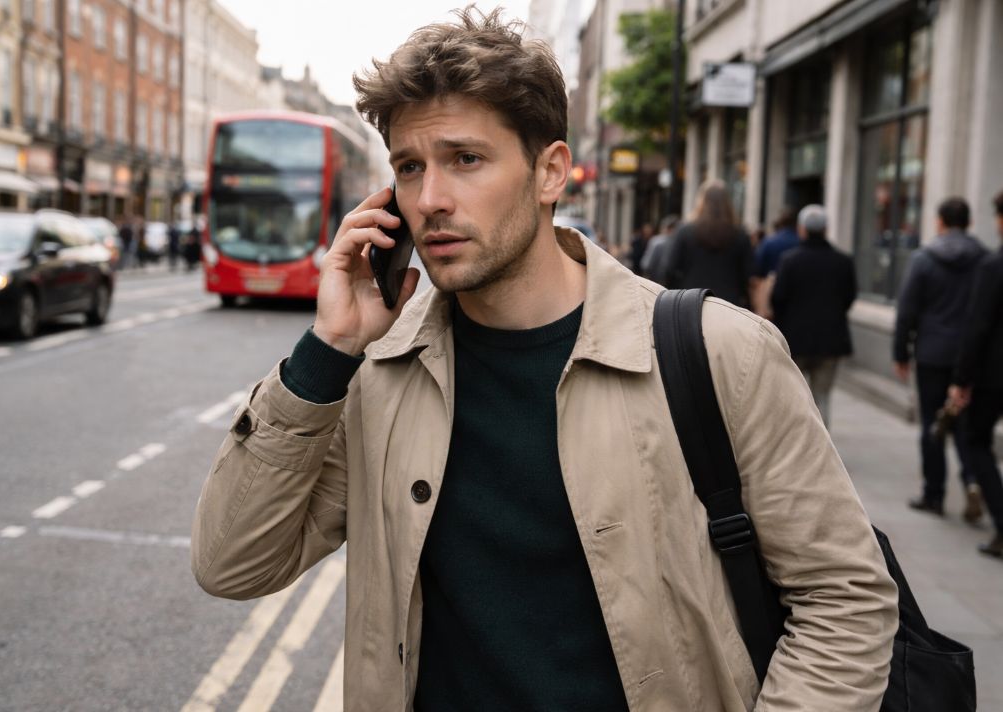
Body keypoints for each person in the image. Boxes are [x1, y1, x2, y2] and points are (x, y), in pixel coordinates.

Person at [191, 8, 897, 711]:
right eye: (409, 167)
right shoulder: (378, 376)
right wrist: (327, 352)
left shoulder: (722, 353)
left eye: (466, 159)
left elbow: (844, 601)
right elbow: (232, 562)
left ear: (550, 172)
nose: (430, 200)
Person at [894, 197, 987, 519]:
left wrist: (901, 352)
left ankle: (934, 494)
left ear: (940, 222)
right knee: (966, 423)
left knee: (933, 422)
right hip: (971, 356)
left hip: (932, 352)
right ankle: (973, 480)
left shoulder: (924, 259)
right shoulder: (984, 260)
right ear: (969, 223)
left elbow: (907, 309)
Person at [949, 190, 1003, 557]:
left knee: (975, 442)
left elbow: (978, 326)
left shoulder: (993, 267)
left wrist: (961, 379)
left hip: (992, 376)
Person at [769, 205, 856, 428]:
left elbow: (778, 298)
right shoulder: (843, 261)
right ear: (826, 229)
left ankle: (795, 441)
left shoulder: (789, 260)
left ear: (802, 229)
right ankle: (821, 444)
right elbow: (849, 297)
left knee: (793, 396)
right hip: (830, 340)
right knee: (822, 397)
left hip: (795, 339)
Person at [662, 180, 755, 308]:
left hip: (691, 301)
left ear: (701, 202)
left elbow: (669, 269)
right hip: (729, 304)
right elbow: (749, 274)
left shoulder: (685, 232)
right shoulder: (740, 234)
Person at [751, 207, 799, 318]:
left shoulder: (769, 243)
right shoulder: (800, 243)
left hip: (770, 296)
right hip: (795, 301)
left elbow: (757, 272)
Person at [639, 213, 680, 284]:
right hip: (673, 283)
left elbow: (646, 264)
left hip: (656, 281)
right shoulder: (679, 243)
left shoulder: (656, 241)